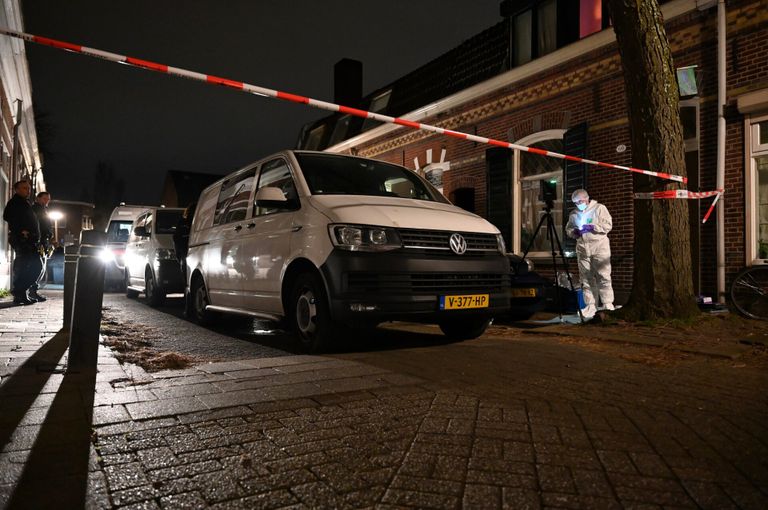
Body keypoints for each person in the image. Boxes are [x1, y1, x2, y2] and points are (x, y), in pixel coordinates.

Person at [566, 188, 614, 317]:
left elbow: (608, 225)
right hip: (582, 248)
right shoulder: (574, 214)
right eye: (576, 203)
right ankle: (590, 305)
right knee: (586, 278)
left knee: (603, 275)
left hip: (599, 246)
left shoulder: (599, 208)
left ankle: (607, 304)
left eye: (580, 201)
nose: (578, 204)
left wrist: (593, 227)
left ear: (587, 198)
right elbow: (568, 229)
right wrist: (575, 232)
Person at [3, 180, 41, 305]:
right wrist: (20, 231)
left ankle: (20, 293)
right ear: (17, 189)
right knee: (31, 266)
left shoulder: (24, 203)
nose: (28, 190)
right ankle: (19, 292)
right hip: (23, 240)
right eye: (24, 188)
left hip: (29, 240)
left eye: (28, 188)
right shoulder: (15, 202)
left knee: (29, 267)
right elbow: (7, 216)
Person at [30, 191, 54, 302]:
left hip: (44, 241)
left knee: (42, 267)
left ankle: (33, 291)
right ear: (38, 198)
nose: (47, 201)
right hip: (38, 241)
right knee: (38, 266)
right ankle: (32, 291)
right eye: (44, 199)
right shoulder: (35, 209)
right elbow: (38, 225)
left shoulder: (44, 210)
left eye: (48, 199)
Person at [173, 201, 197, 275]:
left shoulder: (184, 222)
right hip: (186, 250)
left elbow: (176, 238)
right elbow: (177, 237)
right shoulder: (184, 222)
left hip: (189, 250)